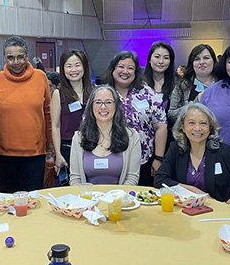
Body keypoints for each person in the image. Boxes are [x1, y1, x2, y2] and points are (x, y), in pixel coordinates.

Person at [0, 36, 52, 193]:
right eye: (11, 58)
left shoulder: (40, 77)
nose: (16, 62)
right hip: (1, 154)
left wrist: (51, 144)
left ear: (27, 56)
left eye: (20, 57)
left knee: (32, 201)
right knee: (5, 202)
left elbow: (47, 112)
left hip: (35, 154)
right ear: (5, 58)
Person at [154, 102, 230, 210]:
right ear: (182, 127)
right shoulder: (176, 149)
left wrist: (223, 207)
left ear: (210, 128)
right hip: (186, 213)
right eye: (191, 123)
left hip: (220, 214)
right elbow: (159, 180)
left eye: (203, 123)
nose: (197, 128)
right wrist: (192, 190)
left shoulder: (224, 152)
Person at [103, 51, 167, 186]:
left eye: (130, 68)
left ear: (136, 71)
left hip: (144, 161)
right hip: (111, 159)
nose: (125, 71)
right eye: (121, 66)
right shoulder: (102, 93)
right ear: (113, 68)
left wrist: (158, 158)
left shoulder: (147, 93)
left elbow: (161, 125)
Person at [70, 85, 141, 185]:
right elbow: (75, 179)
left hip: (120, 198)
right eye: (98, 102)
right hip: (88, 199)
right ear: (91, 107)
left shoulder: (132, 137)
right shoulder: (78, 138)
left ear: (116, 106)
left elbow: (132, 178)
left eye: (108, 102)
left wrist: (115, 198)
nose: (103, 107)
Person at [51, 49, 94, 172]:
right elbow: (55, 126)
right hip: (68, 147)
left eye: (77, 65)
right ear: (63, 69)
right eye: (69, 66)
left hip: (93, 145)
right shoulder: (58, 94)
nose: (73, 70)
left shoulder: (95, 91)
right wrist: (58, 154)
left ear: (84, 67)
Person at [168, 44, 217, 123]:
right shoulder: (182, 86)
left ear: (213, 61)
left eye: (206, 58)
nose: (202, 62)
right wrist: (195, 103)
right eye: (197, 59)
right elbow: (171, 115)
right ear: (192, 63)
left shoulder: (223, 85)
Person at [142, 41, 176, 112]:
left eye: (166, 58)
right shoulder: (139, 83)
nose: (161, 61)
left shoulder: (177, 85)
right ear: (149, 60)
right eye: (157, 57)